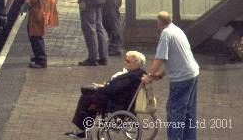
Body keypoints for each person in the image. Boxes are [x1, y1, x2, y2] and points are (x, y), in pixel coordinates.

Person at [142, 11, 200, 140]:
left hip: (182, 78)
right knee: (189, 111)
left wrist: (149, 76)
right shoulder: (177, 30)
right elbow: (177, 56)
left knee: (175, 111)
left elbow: (160, 58)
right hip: (192, 73)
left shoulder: (166, 34)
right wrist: (162, 73)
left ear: (159, 24)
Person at [65, 51, 148, 138]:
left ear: (136, 64)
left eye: (128, 61)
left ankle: (81, 131)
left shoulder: (131, 76)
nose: (125, 62)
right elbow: (117, 88)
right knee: (88, 93)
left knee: (85, 98)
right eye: (125, 60)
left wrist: (101, 88)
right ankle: (81, 130)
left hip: (115, 103)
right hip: (118, 99)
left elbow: (114, 89)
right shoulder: (137, 74)